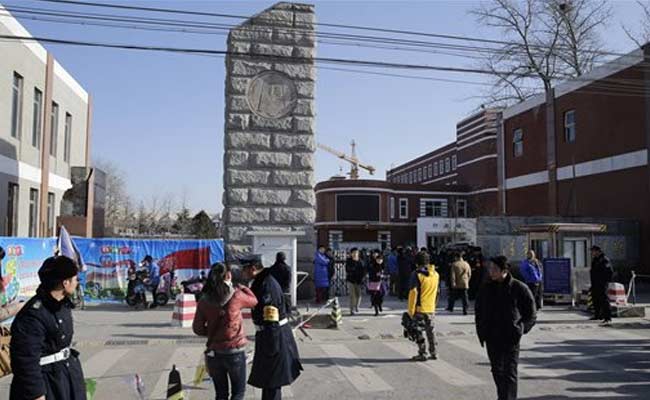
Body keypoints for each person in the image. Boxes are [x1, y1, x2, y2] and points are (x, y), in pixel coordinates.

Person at [10, 256, 87, 400]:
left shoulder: (62, 305)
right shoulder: (33, 315)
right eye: (75, 279)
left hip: (65, 375)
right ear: (65, 283)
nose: (77, 282)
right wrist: (36, 394)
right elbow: (25, 359)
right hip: (47, 382)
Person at [193, 263, 258, 400]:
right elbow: (254, 301)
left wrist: (212, 332)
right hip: (234, 351)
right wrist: (243, 287)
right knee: (238, 393)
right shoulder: (236, 295)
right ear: (228, 275)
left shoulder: (204, 299)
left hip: (214, 352)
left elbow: (197, 328)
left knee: (221, 394)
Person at [241, 255, 302, 400]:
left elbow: (271, 317)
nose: (243, 273)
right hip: (267, 335)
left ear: (253, 269)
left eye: (244, 269)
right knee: (268, 381)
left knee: (272, 381)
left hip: (274, 336)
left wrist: (272, 346)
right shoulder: (260, 281)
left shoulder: (266, 285)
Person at [475, 256, 536, 400]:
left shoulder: (518, 288)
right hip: (491, 336)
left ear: (504, 271)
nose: (491, 272)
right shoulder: (486, 288)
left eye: (494, 269)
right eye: (490, 268)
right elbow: (479, 310)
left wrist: (520, 328)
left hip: (510, 337)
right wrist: (481, 329)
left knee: (509, 373)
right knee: (497, 371)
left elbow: (531, 314)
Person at [407, 251, 440, 361]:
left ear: (417, 262)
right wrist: (434, 305)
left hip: (420, 308)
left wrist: (411, 311)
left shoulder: (417, 274)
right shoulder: (435, 274)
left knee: (418, 331)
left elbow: (413, 292)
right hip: (431, 307)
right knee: (431, 331)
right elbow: (438, 292)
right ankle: (434, 352)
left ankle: (423, 353)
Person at [590, 246, 613, 324]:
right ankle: (597, 315)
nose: (592, 253)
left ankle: (607, 317)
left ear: (598, 251)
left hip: (602, 284)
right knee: (595, 299)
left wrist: (605, 282)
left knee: (604, 300)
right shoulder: (595, 260)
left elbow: (609, 272)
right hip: (595, 283)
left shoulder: (604, 260)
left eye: (593, 251)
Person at [345, 248, 366, 315]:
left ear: (358, 253)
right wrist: (352, 270)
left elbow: (363, 271)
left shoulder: (361, 261)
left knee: (359, 295)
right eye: (353, 253)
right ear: (351, 254)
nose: (355, 254)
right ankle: (352, 309)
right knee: (352, 296)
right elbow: (347, 269)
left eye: (356, 252)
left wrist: (363, 278)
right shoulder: (349, 261)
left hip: (359, 281)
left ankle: (356, 306)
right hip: (351, 280)